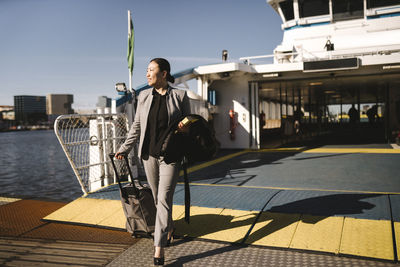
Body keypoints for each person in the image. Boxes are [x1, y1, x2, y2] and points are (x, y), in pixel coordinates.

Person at [115, 58, 190, 265]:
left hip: (171, 156)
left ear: (164, 73)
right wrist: (124, 148)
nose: (147, 74)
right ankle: (169, 227)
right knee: (157, 198)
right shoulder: (144, 96)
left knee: (164, 197)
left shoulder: (180, 96)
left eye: (151, 70)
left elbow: (190, 125)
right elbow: (137, 126)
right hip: (149, 155)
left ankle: (159, 248)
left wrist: (186, 129)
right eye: (146, 70)